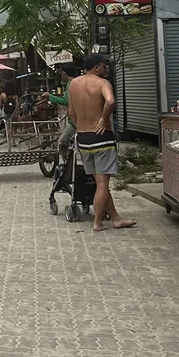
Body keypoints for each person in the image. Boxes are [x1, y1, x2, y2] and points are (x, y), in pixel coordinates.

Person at [67, 52, 136, 233]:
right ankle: (97, 222)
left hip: (83, 139)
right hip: (101, 138)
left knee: (100, 182)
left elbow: (71, 113)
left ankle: (116, 218)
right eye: (104, 65)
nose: (106, 67)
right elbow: (111, 101)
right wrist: (103, 118)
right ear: (96, 66)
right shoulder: (103, 83)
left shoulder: (73, 84)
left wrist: (81, 126)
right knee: (103, 183)